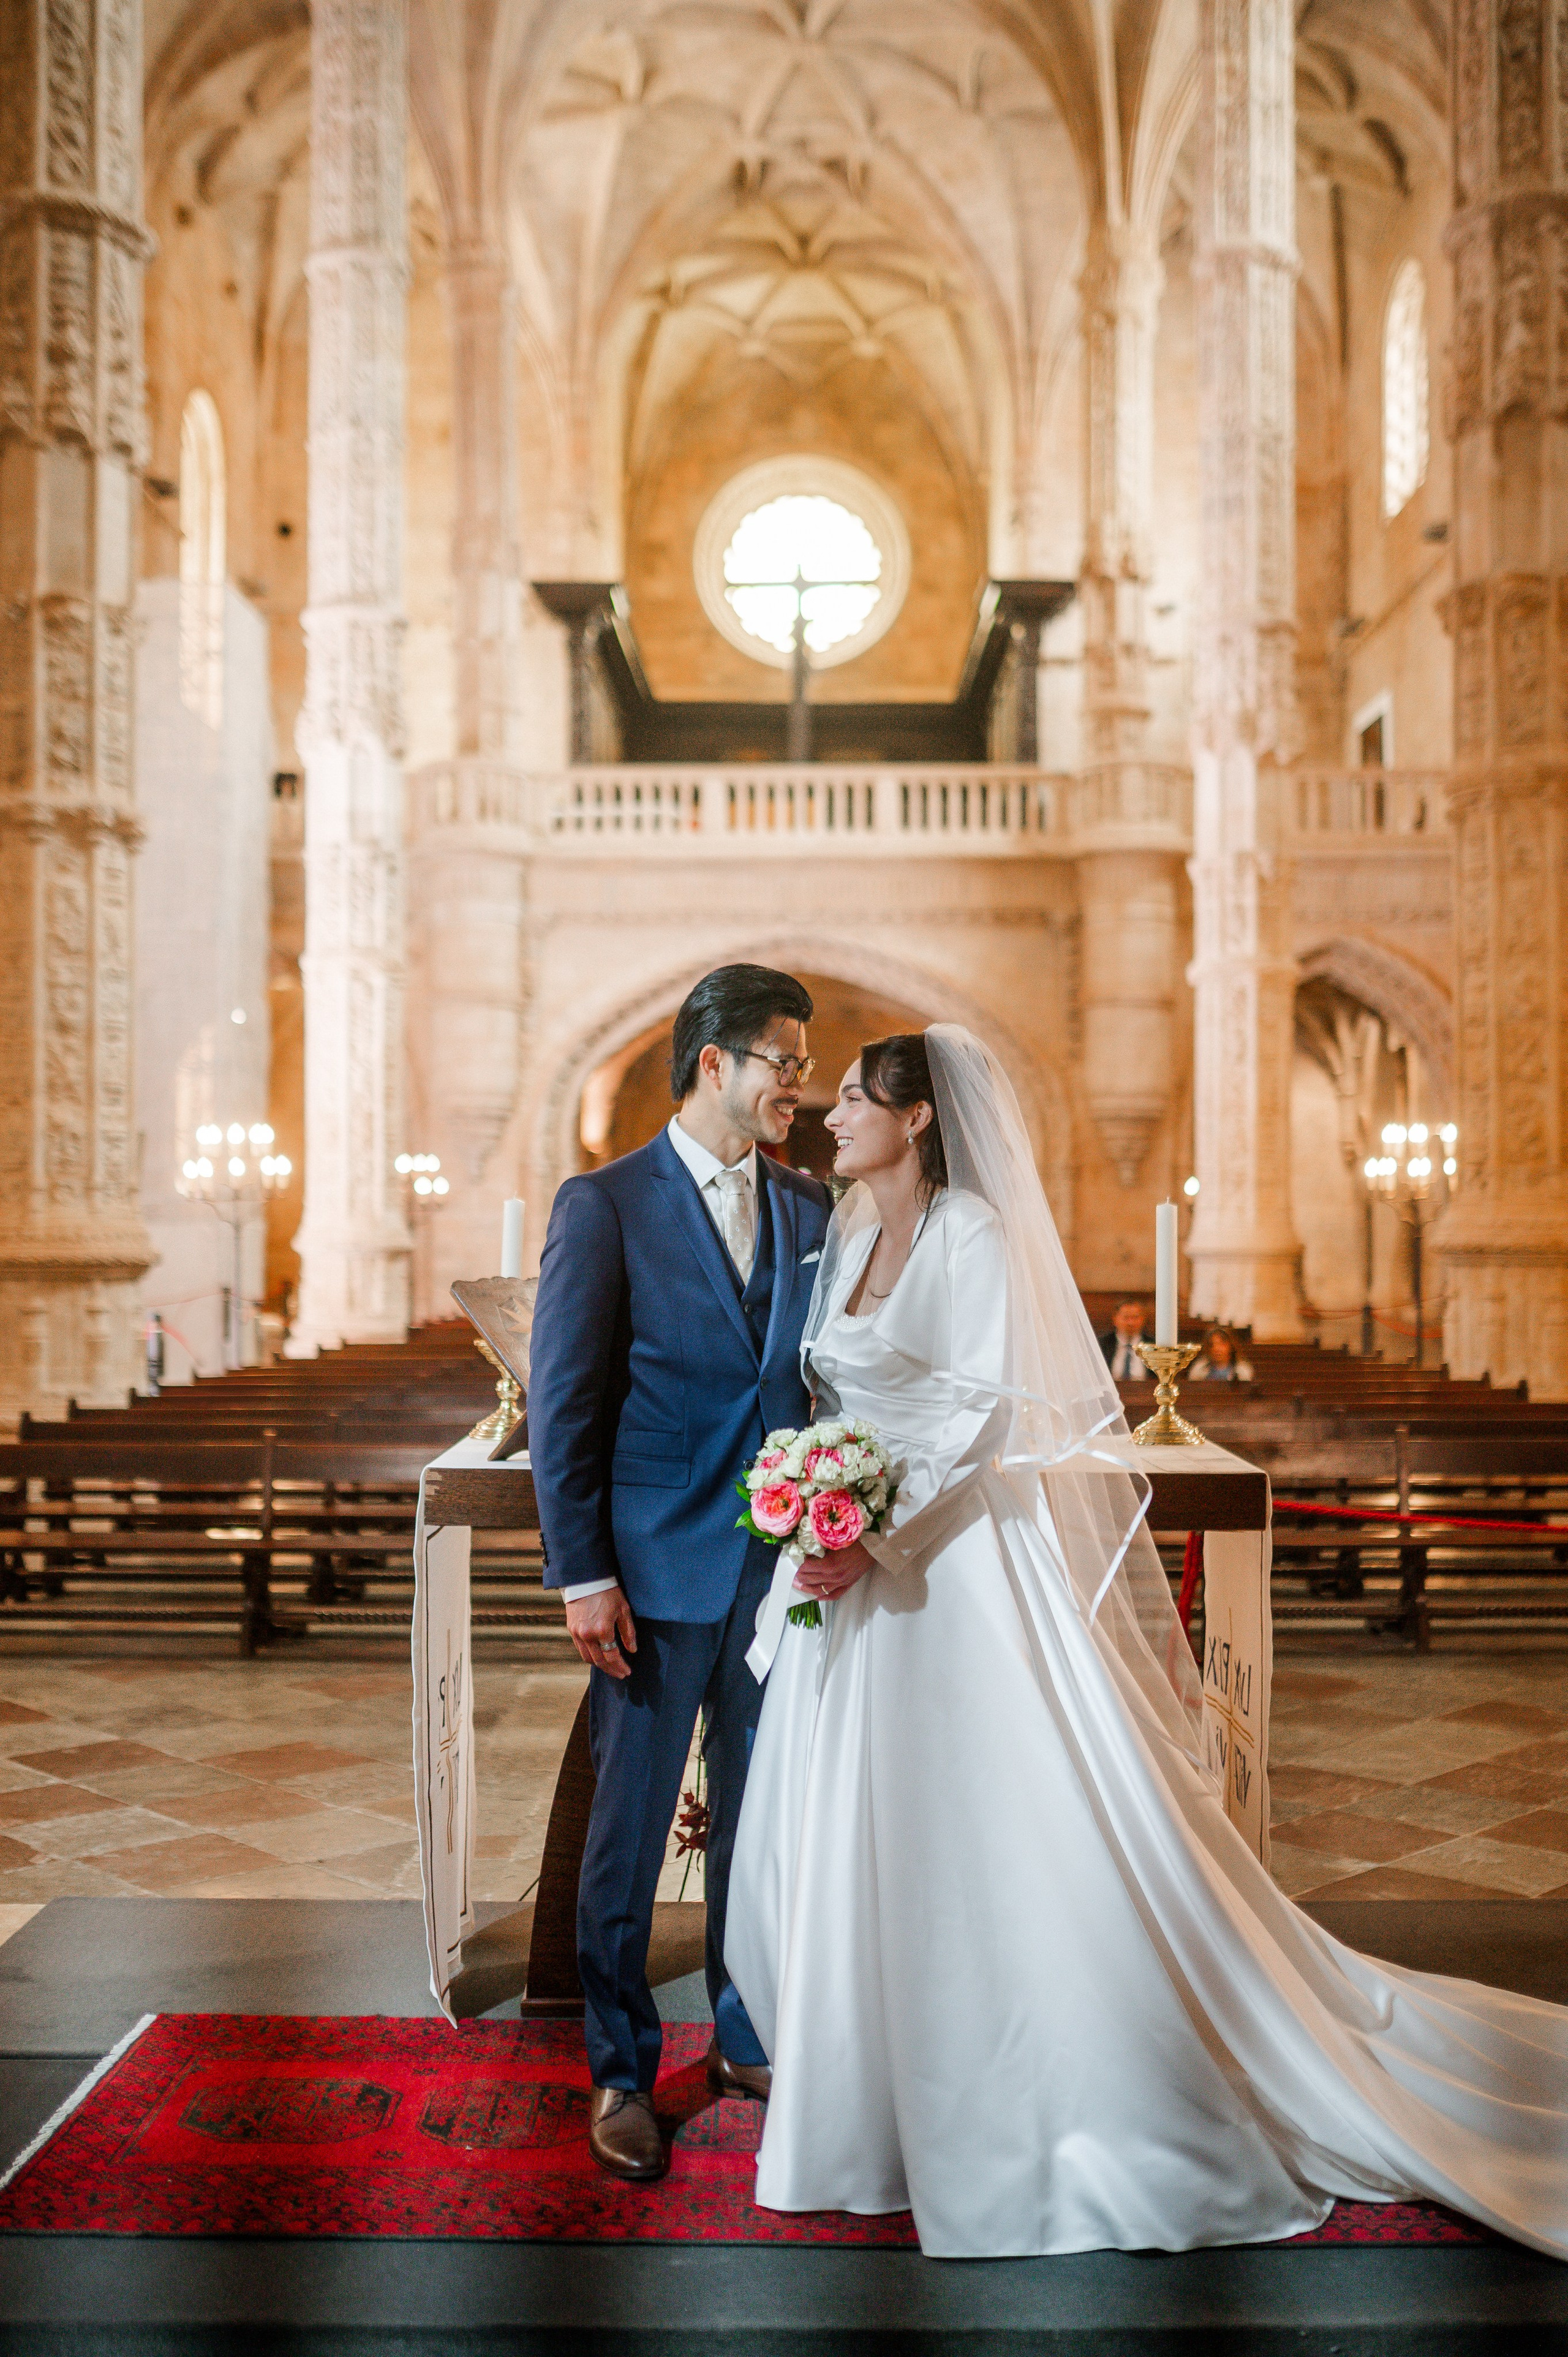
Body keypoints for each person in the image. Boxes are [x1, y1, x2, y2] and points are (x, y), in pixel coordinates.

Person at [725, 1025, 1568, 2260]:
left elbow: (979, 1418)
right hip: (842, 1574)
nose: (829, 1114)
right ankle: (866, 2091)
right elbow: (836, 1396)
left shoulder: (969, 1235)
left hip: (950, 1568)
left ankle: (1037, 2090)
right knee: (842, 1831)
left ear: (916, 1120)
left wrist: (874, 1534)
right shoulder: (845, 1232)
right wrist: (814, 1507)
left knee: (984, 1831)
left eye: (853, 1098)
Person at [527, 965, 832, 2184]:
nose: (797, 1090)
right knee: (630, 1829)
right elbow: (564, 1404)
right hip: (649, 1574)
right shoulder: (603, 1205)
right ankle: (618, 2065)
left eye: (804, 1069)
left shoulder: (811, 1209)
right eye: (782, 1063)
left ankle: (749, 2038)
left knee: (763, 1824)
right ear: (713, 1062)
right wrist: (580, 1571)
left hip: (780, 1579)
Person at [1098, 1299, 1152, 1380]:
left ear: (1143, 1319)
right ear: (1115, 1319)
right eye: (1126, 1317)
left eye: (1135, 1317)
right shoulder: (1101, 1345)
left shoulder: (1153, 1345)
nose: (1131, 1323)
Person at [1190, 1326, 1254, 1381]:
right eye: (1212, 1345)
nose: (1216, 1349)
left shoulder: (1241, 1370)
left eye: (1221, 1344)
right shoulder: (1199, 1369)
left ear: (1231, 1346)